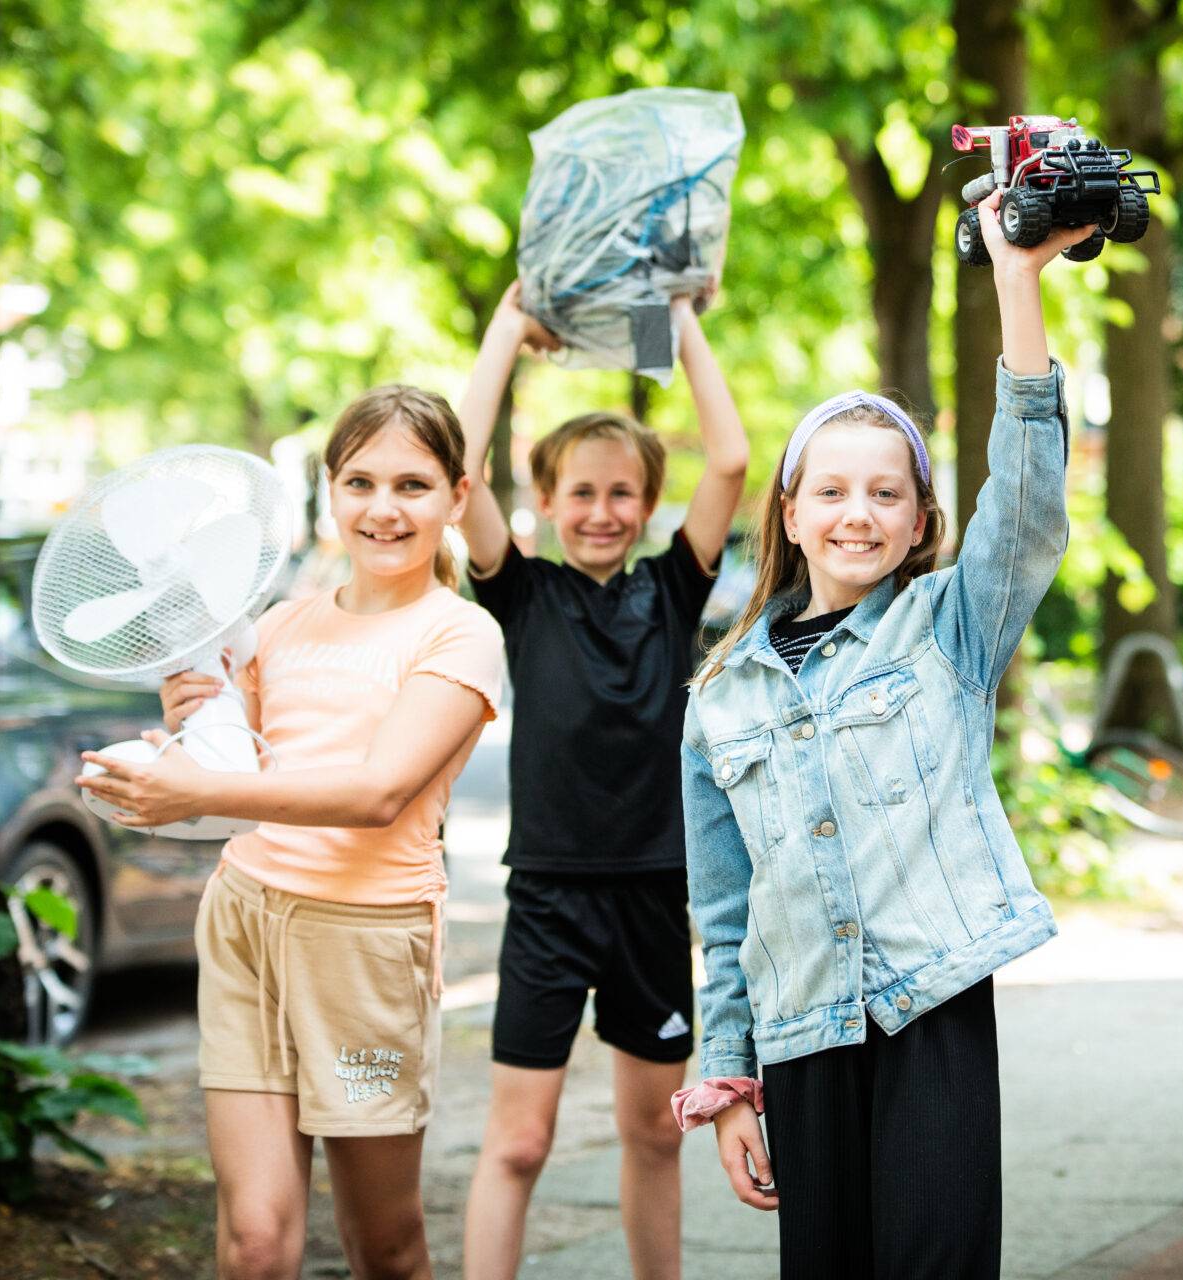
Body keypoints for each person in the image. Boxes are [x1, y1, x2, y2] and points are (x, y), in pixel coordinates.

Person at [668, 193, 1090, 1280]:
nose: (859, 512)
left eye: (886, 493)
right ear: (793, 511)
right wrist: (731, 1083)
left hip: (931, 1012)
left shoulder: (952, 624)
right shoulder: (719, 694)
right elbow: (723, 909)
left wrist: (1016, 275)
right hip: (800, 1028)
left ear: (918, 519)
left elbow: (1032, 501)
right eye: (834, 490)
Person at [79, 386, 505, 1280]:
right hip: (244, 920)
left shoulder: (461, 633)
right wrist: (188, 730)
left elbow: (379, 791)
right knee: (256, 1239)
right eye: (359, 482)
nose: (383, 509)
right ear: (328, 490)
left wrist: (197, 790)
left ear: (458, 496)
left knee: (382, 1247)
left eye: (413, 486)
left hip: (362, 943)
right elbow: (252, 782)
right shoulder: (278, 623)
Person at [457, 282, 747, 1280]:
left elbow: (737, 458)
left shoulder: (674, 589)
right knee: (519, 1141)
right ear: (545, 500)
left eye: (623, 491)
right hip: (547, 894)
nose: (601, 509)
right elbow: (458, 466)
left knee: (657, 1131)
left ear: (650, 503)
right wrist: (506, 328)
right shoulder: (522, 594)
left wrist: (681, 320)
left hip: (656, 892)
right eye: (580, 491)